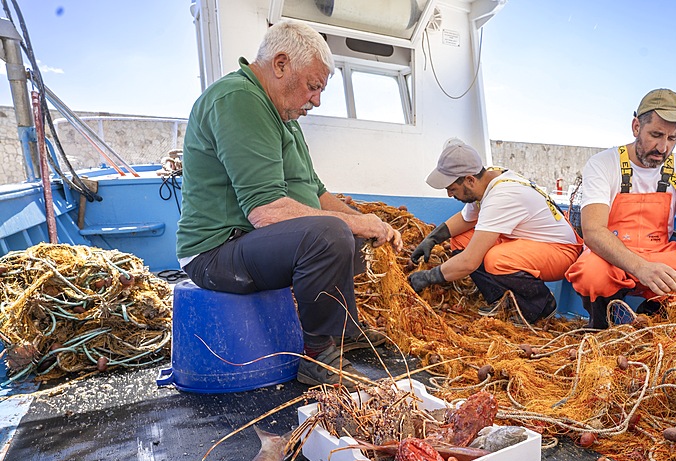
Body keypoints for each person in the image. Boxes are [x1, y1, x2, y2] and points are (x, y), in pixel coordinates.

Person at [176, 19, 402, 388]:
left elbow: (316, 192)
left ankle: (345, 330)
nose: (316, 100)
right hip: (215, 253)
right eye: (313, 87)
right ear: (280, 65)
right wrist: (350, 224)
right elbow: (266, 212)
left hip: (249, 244)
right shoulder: (238, 99)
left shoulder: (284, 115)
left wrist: (369, 222)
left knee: (347, 229)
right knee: (329, 233)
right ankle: (317, 355)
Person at [565, 89, 676, 329]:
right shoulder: (603, 164)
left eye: (672, 138)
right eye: (656, 135)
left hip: (660, 253)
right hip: (613, 255)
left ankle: (654, 317)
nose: (663, 147)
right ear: (636, 127)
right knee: (592, 275)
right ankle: (603, 323)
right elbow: (593, 231)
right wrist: (640, 268)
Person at [407, 138, 582, 325]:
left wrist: (429, 277)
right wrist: (433, 238)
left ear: (469, 180)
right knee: (460, 240)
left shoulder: (502, 196)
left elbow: (469, 262)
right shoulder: (486, 179)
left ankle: (540, 305)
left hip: (561, 251)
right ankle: (501, 300)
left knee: (497, 260)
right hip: (532, 243)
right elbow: (467, 219)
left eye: (452, 189)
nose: (450, 195)